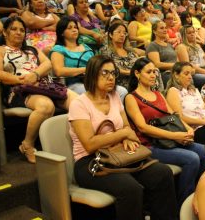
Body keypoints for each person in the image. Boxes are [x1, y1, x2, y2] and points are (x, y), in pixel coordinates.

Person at [69, 55, 177, 220]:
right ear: (92, 74)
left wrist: (126, 137)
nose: (111, 77)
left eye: (113, 73)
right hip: (91, 161)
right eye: (105, 73)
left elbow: (126, 128)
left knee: (162, 173)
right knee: (130, 188)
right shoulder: (79, 104)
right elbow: (90, 144)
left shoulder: (114, 98)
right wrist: (122, 134)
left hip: (118, 154)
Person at [0, 17, 77, 163]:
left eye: (22, 30)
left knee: (78, 102)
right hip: (18, 90)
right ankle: (27, 144)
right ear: (4, 32)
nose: (19, 33)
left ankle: (78, 140)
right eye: (14, 29)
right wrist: (22, 80)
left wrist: (34, 75)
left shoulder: (32, 49)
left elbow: (47, 64)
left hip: (44, 85)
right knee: (46, 106)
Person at [125, 58, 205, 205]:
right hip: (150, 145)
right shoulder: (131, 97)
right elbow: (142, 127)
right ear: (137, 74)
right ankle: (184, 203)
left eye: (154, 71)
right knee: (192, 159)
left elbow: (174, 115)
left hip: (170, 140)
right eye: (148, 72)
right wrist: (175, 136)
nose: (153, 75)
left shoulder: (158, 94)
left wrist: (187, 128)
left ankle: (199, 192)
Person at [165, 62, 205, 144]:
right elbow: (179, 118)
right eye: (186, 74)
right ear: (176, 75)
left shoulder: (194, 90)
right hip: (194, 129)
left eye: (191, 74)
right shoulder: (173, 91)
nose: (190, 77)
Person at [100, 22, 145, 90]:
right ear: (110, 35)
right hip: (119, 81)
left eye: (124, 33)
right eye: (119, 32)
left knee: (155, 71)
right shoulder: (106, 50)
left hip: (137, 79)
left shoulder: (130, 51)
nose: (122, 35)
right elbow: (110, 69)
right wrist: (131, 73)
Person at [176, 25, 205, 89]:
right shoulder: (182, 47)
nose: (192, 34)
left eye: (193, 32)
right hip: (194, 73)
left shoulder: (198, 46)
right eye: (189, 33)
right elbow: (187, 65)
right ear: (184, 35)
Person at [146, 20, 177, 87]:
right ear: (154, 31)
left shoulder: (169, 45)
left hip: (176, 72)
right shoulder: (152, 45)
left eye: (165, 28)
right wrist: (175, 65)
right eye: (161, 28)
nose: (165, 30)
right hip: (164, 74)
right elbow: (157, 64)